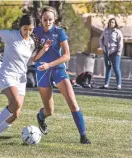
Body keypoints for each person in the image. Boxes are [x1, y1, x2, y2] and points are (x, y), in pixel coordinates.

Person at [33, 6, 91, 144]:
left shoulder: (59, 32)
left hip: (58, 69)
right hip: (42, 71)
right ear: (40, 19)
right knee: (49, 110)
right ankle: (41, 116)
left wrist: (50, 64)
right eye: (45, 19)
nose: (47, 22)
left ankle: (83, 136)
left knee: (72, 102)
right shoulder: (35, 32)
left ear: (55, 19)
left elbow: (67, 56)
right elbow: (32, 55)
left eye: (50, 19)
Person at [99, 18, 123, 90]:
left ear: (115, 23)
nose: (111, 23)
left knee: (116, 68)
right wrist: (103, 47)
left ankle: (119, 84)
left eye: (113, 22)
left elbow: (120, 43)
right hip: (107, 53)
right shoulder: (105, 31)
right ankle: (106, 84)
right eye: (110, 22)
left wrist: (119, 52)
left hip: (115, 53)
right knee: (108, 67)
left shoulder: (118, 32)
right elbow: (101, 39)